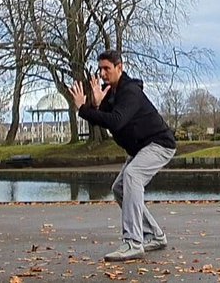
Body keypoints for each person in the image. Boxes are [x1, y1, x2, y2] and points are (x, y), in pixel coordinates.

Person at [69, 49, 177, 262]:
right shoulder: (111, 92)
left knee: (132, 176)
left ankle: (133, 243)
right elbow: (102, 118)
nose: (102, 73)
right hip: (140, 149)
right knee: (119, 189)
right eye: (100, 69)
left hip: (159, 144)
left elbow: (116, 121)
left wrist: (84, 109)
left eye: (107, 68)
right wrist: (96, 105)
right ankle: (154, 235)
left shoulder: (130, 91)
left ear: (120, 67)